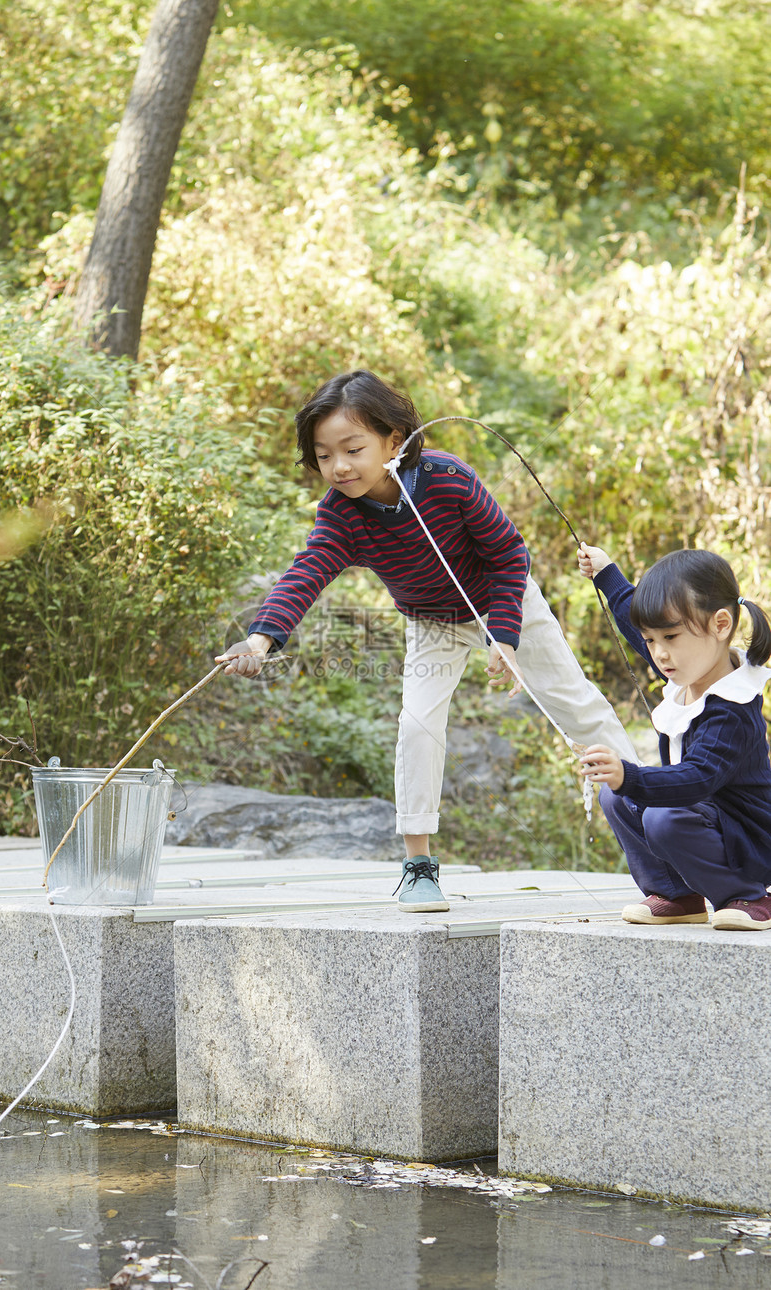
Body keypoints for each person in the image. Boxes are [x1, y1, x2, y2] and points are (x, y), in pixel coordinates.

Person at [216, 370, 638, 912]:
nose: (339, 466)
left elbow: (509, 555)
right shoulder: (341, 514)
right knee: (417, 724)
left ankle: (665, 821)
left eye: (353, 449)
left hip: (504, 601)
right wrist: (260, 640)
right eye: (324, 456)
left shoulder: (447, 479)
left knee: (580, 709)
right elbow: (307, 571)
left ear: (394, 440)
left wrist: (504, 638)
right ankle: (418, 866)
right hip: (432, 619)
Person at [578, 542, 771, 930]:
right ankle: (677, 894)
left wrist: (630, 775)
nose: (659, 654)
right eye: (652, 641)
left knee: (663, 817)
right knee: (614, 795)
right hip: (700, 814)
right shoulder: (690, 666)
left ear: (721, 625)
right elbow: (634, 625)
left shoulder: (732, 706)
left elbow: (699, 777)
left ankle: (750, 895)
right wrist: (607, 573)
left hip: (747, 837)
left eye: (670, 638)